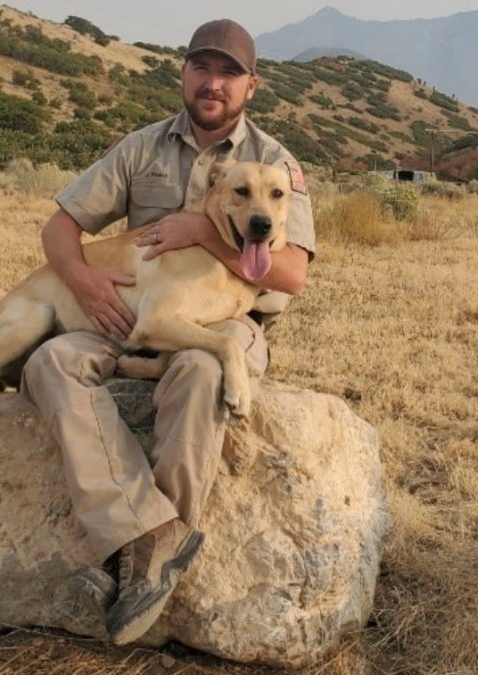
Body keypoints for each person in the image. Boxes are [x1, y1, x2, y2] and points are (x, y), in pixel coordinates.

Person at [20, 19, 316, 645]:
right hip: (121, 318)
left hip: (228, 321)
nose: (214, 84)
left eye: (229, 73)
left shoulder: (275, 165)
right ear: (183, 74)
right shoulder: (140, 148)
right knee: (47, 364)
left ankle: (145, 555)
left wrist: (202, 231)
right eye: (202, 69)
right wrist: (80, 279)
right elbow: (59, 229)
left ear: (250, 86)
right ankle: (147, 538)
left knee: (203, 371)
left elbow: (291, 274)